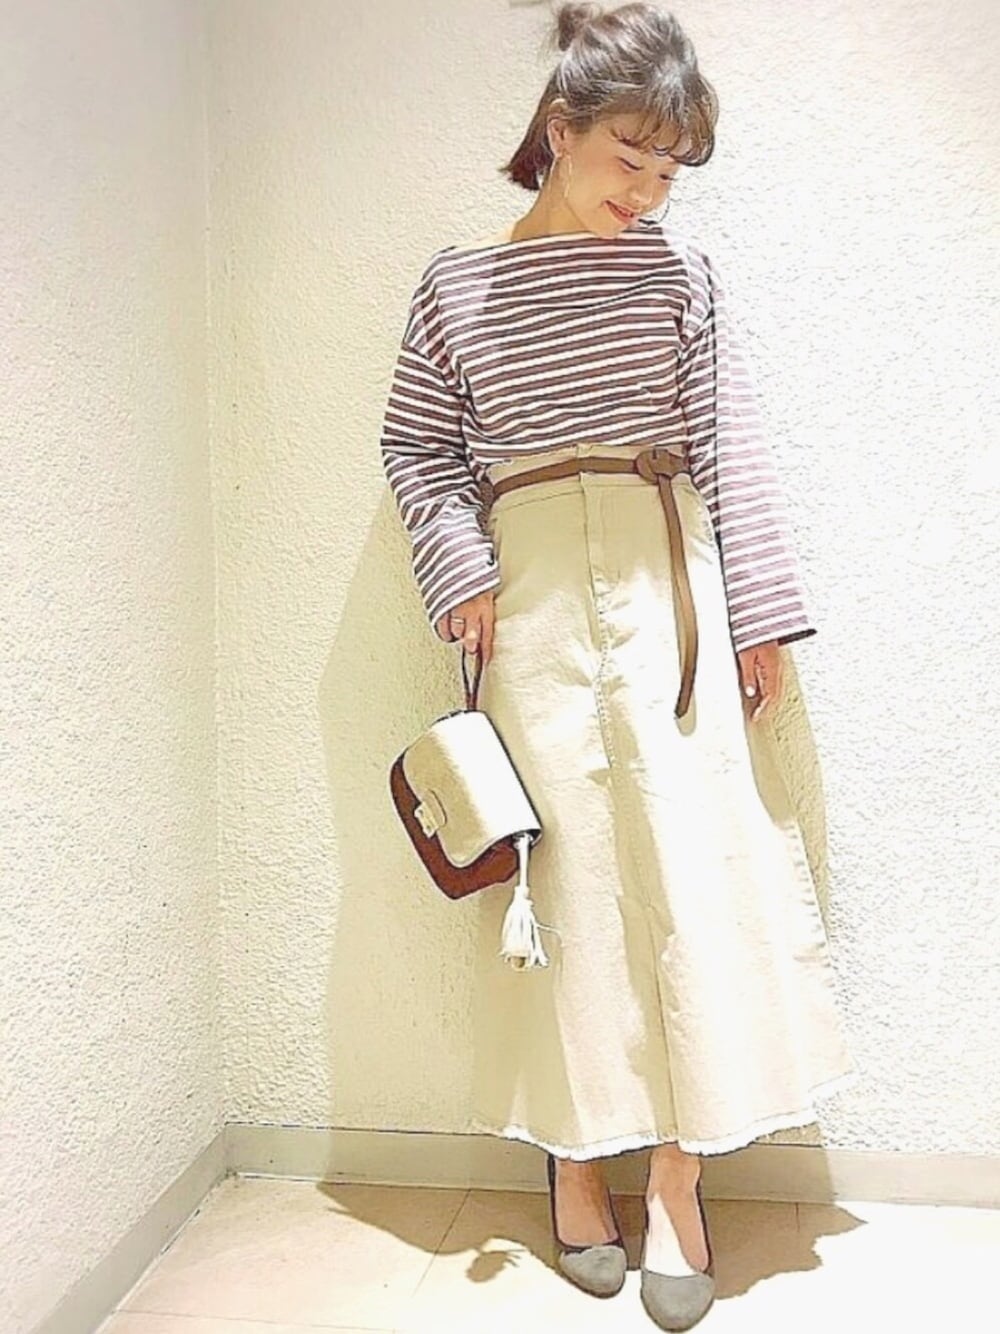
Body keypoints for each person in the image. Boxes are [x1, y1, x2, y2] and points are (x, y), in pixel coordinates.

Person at [379, 3, 859, 1328]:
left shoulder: (680, 278)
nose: (646, 193)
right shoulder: (456, 288)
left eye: (669, 171)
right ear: (560, 129)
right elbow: (418, 446)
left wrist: (759, 615)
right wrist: (460, 569)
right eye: (628, 159)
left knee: (693, 874)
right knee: (570, 884)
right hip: (529, 592)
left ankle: (679, 1183)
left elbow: (729, 442)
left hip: (672, 587)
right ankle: (575, 1161)